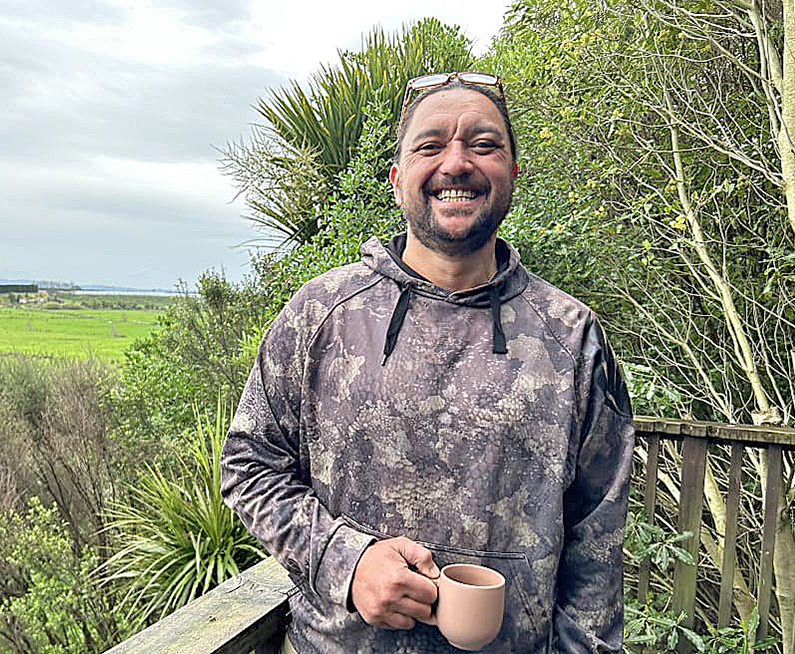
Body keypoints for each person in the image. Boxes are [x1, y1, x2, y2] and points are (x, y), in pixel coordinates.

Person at [220, 72, 634, 653]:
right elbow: (249, 464)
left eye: (484, 144)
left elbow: (598, 539)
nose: (457, 163)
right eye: (430, 145)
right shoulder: (321, 314)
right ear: (397, 180)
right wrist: (346, 562)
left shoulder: (572, 337)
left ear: (512, 174)